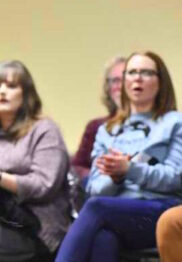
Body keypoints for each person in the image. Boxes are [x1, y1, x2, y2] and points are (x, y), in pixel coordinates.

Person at [56, 51, 182, 262]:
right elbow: (95, 188)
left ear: (161, 82)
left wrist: (130, 169)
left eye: (146, 73)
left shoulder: (175, 122)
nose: (138, 78)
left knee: (96, 208)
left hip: (159, 210)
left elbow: (176, 178)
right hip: (116, 214)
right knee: (103, 238)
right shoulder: (107, 130)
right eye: (131, 72)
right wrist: (116, 178)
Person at [0, 60, 71, 261]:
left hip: (33, 224)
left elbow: (44, 185)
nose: (3, 91)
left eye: (11, 86)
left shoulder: (44, 130)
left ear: (26, 94)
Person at [71, 56, 126, 179]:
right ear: (108, 88)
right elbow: (77, 167)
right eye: (115, 81)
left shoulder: (155, 126)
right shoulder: (96, 127)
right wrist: (98, 178)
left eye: (124, 80)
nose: (120, 86)